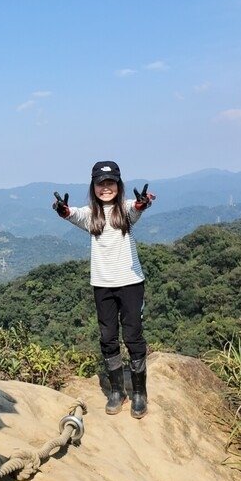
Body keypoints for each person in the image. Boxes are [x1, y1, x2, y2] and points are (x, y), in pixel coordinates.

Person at [52, 161, 155, 419]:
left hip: (131, 282)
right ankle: (117, 391)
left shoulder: (126, 209)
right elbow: (71, 214)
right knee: (108, 337)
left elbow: (138, 208)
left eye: (111, 183)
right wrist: (62, 210)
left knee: (133, 336)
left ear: (119, 186)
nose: (106, 187)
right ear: (94, 186)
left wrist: (143, 203)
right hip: (102, 284)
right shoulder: (91, 215)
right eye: (101, 183)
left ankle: (139, 393)